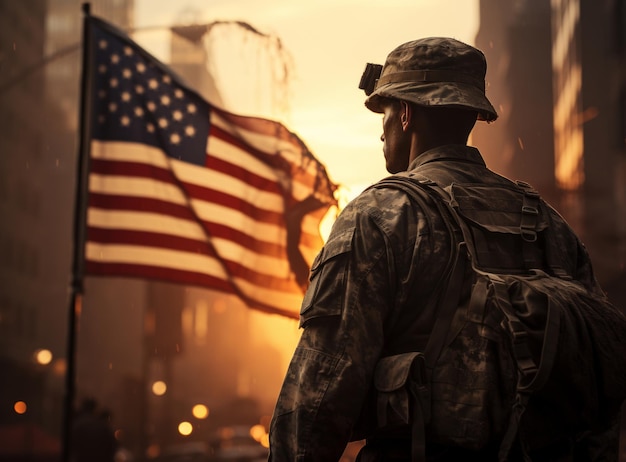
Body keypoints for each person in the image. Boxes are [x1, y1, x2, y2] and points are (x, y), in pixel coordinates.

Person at [268, 38, 618, 461]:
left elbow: (320, 392)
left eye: (385, 112)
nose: (382, 128)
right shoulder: (547, 222)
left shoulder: (380, 213)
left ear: (406, 113)